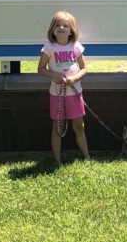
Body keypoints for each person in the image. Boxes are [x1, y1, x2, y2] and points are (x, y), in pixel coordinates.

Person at [37, 11, 90, 166]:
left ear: (71, 29)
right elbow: (41, 68)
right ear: (53, 29)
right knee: (58, 127)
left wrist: (74, 78)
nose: (61, 27)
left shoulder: (76, 47)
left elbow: (84, 69)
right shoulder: (49, 48)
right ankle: (58, 160)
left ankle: (86, 156)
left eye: (65, 25)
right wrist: (53, 75)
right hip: (57, 94)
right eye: (58, 25)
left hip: (75, 93)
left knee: (79, 126)